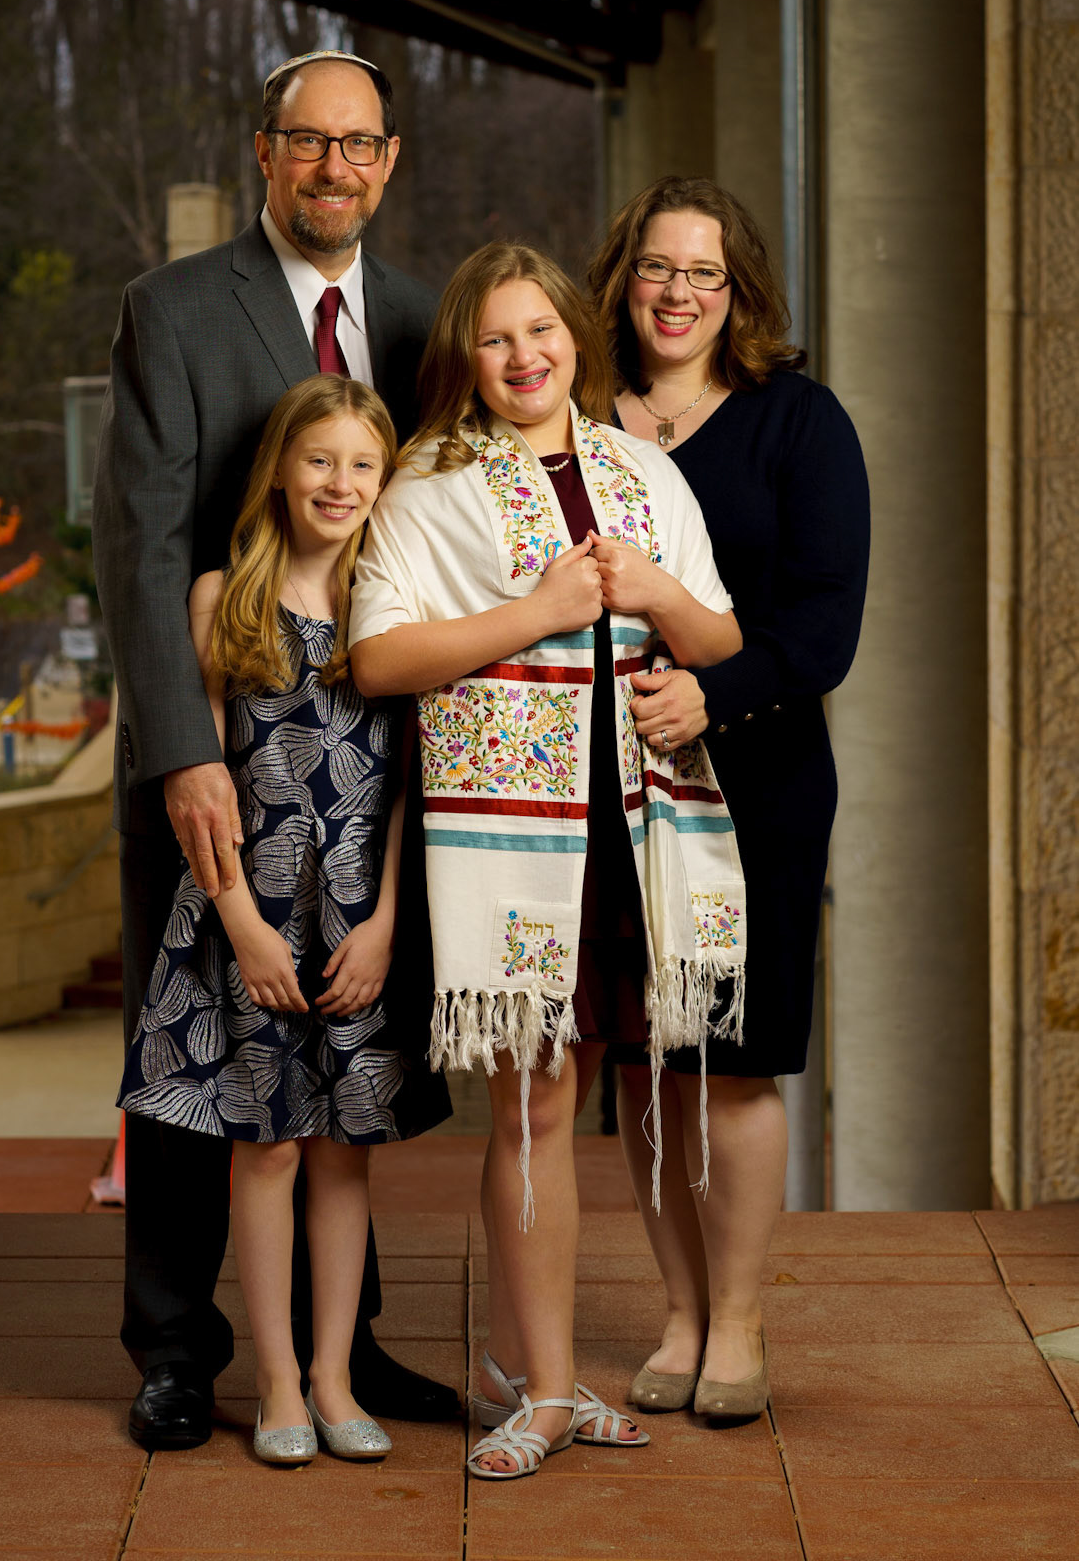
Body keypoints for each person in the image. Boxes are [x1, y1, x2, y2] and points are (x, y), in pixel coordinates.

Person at [92, 50, 455, 1453]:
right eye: (309, 143)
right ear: (265, 152)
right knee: (206, 1075)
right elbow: (142, 548)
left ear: (389, 159)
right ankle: (180, 1349)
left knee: (345, 1076)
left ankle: (335, 1354)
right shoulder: (173, 311)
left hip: (365, 777)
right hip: (220, 764)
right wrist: (185, 756)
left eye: (358, 146)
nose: (333, 169)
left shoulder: (426, 325)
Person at [349, 242, 745, 1478]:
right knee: (533, 1097)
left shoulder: (643, 470)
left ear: (575, 336)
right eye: (496, 339)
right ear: (466, 358)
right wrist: (540, 609)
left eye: (542, 333)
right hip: (515, 835)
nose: (524, 358)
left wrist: (654, 597)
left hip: (640, 822)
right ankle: (547, 1387)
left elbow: (719, 628)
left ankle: (556, 1375)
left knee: (617, 1088)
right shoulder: (426, 484)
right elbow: (376, 658)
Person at [119, 377, 447, 1465]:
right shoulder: (225, 599)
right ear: (279, 470)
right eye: (319, 460)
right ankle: (272, 1381)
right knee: (262, 1152)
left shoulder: (391, 606)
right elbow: (197, 783)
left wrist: (389, 917)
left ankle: (334, 1373)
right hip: (245, 911)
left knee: (343, 1156)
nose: (340, 482)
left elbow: (407, 788)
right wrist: (243, 925)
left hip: (355, 918)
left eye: (362, 463)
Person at [586, 174, 869, 1420]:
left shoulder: (795, 423)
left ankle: (741, 1322)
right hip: (607, 782)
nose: (677, 292)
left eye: (704, 272)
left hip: (755, 776)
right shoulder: (577, 420)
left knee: (735, 1063)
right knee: (649, 1059)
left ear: (738, 290)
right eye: (657, 266)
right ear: (622, 277)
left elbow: (823, 629)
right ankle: (680, 1310)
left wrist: (712, 692)